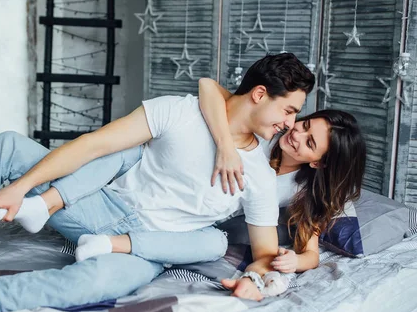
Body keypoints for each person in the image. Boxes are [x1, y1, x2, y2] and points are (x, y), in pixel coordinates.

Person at [0, 53, 313, 312]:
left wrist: (257, 278)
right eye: (290, 110)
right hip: (98, 206)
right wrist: (21, 186)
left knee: (97, 283)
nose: (290, 125)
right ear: (259, 95)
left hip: (142, 248)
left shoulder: (258, 173)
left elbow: (264, 249)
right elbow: (93, 147)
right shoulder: (182, 111)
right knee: (8, 146)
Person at [67, 78, 366, 278]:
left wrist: (296, 262)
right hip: (169, 180)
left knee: (213, 244)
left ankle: (113, 242)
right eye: (305, 125)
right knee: (128, 151)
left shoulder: (300, 191)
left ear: (318, 164)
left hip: (198, 214)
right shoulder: (266, 130)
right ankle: (66, 191)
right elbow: (208, 86)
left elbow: (311, 254)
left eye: (309, 143)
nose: (296, 134)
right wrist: (225, 145)